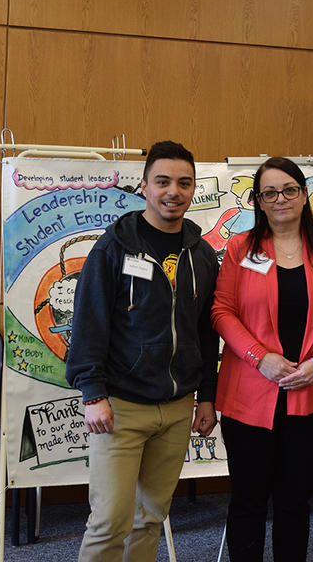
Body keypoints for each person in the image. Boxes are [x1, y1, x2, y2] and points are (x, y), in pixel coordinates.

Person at [65, 140, 220, 562]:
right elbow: (89, 324)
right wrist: (93, 393)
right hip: (120, 405)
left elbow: (205, 332)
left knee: (151, 516)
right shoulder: (113, 248)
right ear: (144, 186)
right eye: (163, 181)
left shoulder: (202, 255)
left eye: (184, 183)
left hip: (176, 407)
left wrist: (206, 396)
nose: (174, 191)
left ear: (193, 189)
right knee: (109, 520)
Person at [212, 157, 313, 562]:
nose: (280, 199)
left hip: (310, 390)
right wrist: (261, 358)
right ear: (257, 200)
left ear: (304, 194)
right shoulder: (242, 248)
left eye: (289, 190)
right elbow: (222, 311)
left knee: (295, 500)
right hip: (250, 393)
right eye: (269, 192)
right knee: (248, 499)